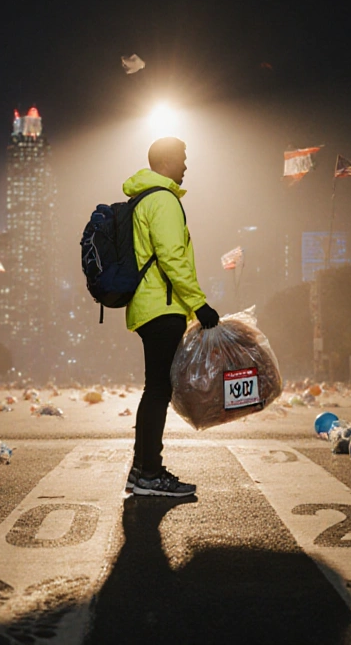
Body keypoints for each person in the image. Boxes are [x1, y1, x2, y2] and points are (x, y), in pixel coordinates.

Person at [122, 136, 218, 497]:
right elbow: (171, 257)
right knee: (158, 390)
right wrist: (199, 304)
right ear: (164, 163)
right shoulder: (162, 200)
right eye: (182, 158)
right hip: (162, 307)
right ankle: (149, 472)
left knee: (155, 389)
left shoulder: (144, 198)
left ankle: (140, 470)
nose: (185, 165)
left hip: (150, 307)